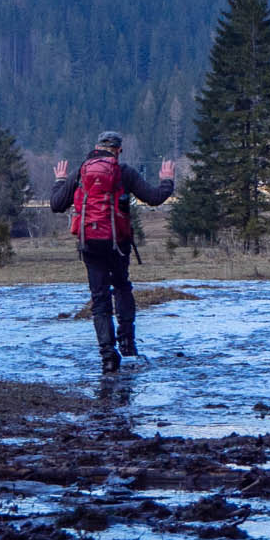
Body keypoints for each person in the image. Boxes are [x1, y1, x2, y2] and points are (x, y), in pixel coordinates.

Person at [49, 130, 176, 373]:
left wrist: (60, 180)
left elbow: (56, 205)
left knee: (99, 299)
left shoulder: (81, 171)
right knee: (122, 287)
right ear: (118, 150)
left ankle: (108, 355)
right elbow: (155, 198)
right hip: (118, 243)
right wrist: (167, 179)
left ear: (96, 147)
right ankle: (127, 344)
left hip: (90, 243)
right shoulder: (123, 171)